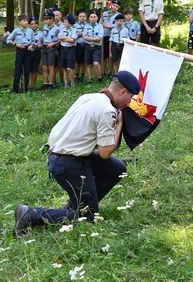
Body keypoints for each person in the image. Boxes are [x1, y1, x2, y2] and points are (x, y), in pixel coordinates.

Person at [13, 71, 141, 238]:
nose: (129, 102)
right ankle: (31, 214)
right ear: (122, 92)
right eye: (130, 97)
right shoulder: (106, 111)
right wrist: (119, 124)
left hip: (67, 155)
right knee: (88, 218)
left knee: (118, 169)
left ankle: (76, 204)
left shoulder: (88, 97)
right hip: (67, 164)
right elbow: (105, 152)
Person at [7, 14, 33, 93]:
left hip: (27, 50)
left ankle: (25, 88)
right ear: (20, 22)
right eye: (24, 21)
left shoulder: (30, 30)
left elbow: (33, 40)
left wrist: (31, 45)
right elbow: (8, 40)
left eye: (26, 21)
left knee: (26, 70)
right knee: (18, 70)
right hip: (20, 50)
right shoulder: (16, 30)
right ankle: (15, 89)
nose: (25, 22)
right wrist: (16, 44)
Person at [58, 13, 78, 87]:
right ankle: (66, 82)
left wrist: (64, 38)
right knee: (64, 67)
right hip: (63, 49)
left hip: (71, 49)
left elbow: (72, 40)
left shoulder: (74, 30)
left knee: (69, 68)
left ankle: (73, 81)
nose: (64, 23)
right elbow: (59, 37)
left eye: (65, 22)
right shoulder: (63, 29)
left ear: (69, 22)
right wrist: (67, 38)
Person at [41, 11, 60, 90]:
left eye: (49, 19)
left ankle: (51, 83)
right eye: (45, 19)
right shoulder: (44, 27)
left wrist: (53, 44)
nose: (47, 20)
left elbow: (60, 40)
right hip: (44, 47)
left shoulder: (56, 29)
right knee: (44, 67)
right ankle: (45, 83)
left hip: (52, 48)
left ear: (53, 19)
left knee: (51, 66)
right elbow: (43, 36)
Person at [83, 10, 103, 82]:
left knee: (96, 63)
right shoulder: (86, 26)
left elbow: (100, 38)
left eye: (94, 17)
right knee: (88, 64)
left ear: (97, 18)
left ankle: (100, 78)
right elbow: (84, 37)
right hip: (88, 47)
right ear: (89, 18)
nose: (93, 18)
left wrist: (90, 39)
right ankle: (90, 79)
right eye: (91, 17)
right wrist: (94, 39)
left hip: (96, 47)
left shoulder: (100, 26)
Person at [101, 1, 119, 76]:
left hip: (113, 37)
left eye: (117, 6)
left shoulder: (118, 15)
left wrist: (106, 26)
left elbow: (116, 25)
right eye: (114, 5)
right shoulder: (104, 13)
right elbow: (101, 23)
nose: (115, 7)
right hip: (104, 35)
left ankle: (110, 72)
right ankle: (103, 71)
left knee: (111, 55)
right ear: (111, 5)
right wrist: (103, 25)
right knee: (104, 55)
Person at [28, 17, 44, 91]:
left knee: (34, 69)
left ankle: (32, 85)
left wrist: (39, 45)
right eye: (32, 24)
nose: (33, 25)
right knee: (28, 69)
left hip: (36, 52)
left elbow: (42, 43)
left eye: (35, 24)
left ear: (37, 24)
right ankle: (26, 84)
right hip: (28, 52)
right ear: (30, 25)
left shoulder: (40, 33)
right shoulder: (27, 32)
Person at [74, 9, 87, 82]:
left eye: (83, 16)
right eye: (80, 16)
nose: (82, 17)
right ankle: (77, 75)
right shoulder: (75, 25)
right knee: (78, 62)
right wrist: (83, 33)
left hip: (85, 45)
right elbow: (75, 34)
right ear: (78, 17)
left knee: (84, 62)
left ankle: (82, 75)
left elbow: (88, 34)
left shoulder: (88, 25)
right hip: (78, 45)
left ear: (86, 17)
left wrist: (80, 33)